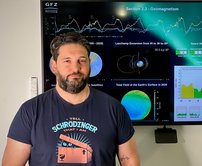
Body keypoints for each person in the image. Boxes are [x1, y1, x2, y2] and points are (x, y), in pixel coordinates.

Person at [2, 32, 140, 166]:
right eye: (67, 61)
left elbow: (129, 160)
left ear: (89, 64)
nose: (75, 68)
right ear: (54, 66)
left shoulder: (114, 109)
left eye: (82, 60)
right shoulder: (30, 111)